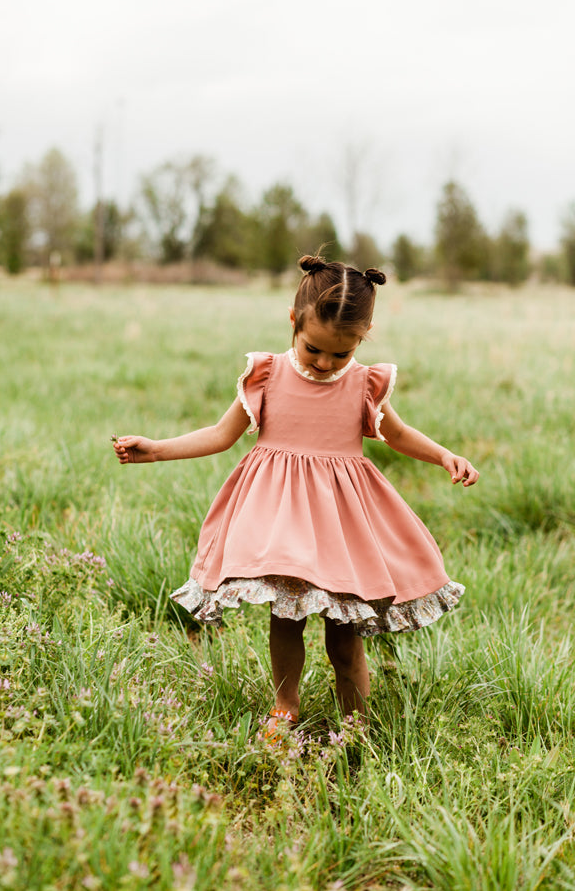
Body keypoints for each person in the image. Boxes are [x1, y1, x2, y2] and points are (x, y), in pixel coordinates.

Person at [113, 254, 479, 741]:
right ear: (293, 321)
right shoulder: (266, 376)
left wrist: (444, 457)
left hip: (340, 526)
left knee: (344, 634)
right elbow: (222, 435)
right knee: (285, 619)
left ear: (362, 337)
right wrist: (156, 450)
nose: (327, 364)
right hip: (280, 523)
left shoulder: (364, 385)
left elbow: (399, 434)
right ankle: (285, 705)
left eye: (341, 355)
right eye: (314, 351)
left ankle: (356, 724)